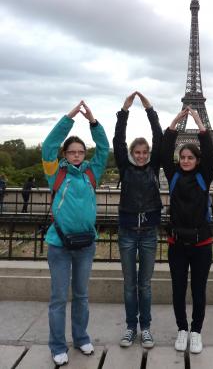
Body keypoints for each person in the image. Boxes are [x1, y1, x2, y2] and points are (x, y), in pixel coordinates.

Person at [42, 101, 109, 366]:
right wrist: (68, 119)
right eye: (72, 152)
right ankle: (58, 345)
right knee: (59, 298)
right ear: (66, 154)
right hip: (59, 245)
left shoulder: (92, 173)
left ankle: (81, 338)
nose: (77, 155)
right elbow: (48, 146)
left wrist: (94, 123)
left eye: (81, 152)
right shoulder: (54, 173)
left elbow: (104, 149)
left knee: (81, 295)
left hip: (85, 245)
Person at [161, 107, 213, 354]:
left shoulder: (204, 175)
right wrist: (175, 122)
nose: (185, 160)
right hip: (177, 243)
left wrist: (197, 121)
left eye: (189, 157)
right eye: (182, 157)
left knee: (198, 290)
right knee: (178, 289)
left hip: (201, 244)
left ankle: (196, 331)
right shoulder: (172, 175)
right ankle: (182, 329)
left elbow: (212, 154)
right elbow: (164, 153)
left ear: (197, 160)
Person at [113, 92, 162, 349]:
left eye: (145, 152)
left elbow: (159, 137)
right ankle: (131, 327)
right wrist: (124, 110)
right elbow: (117, 140)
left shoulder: (155, 166)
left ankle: (146, 329)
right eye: (137, 152)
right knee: (130, 284)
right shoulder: (125, 166)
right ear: (132, 153)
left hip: (149, 233)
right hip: (128, 232)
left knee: (144, 284)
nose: (141, 156)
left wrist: (150, 109)